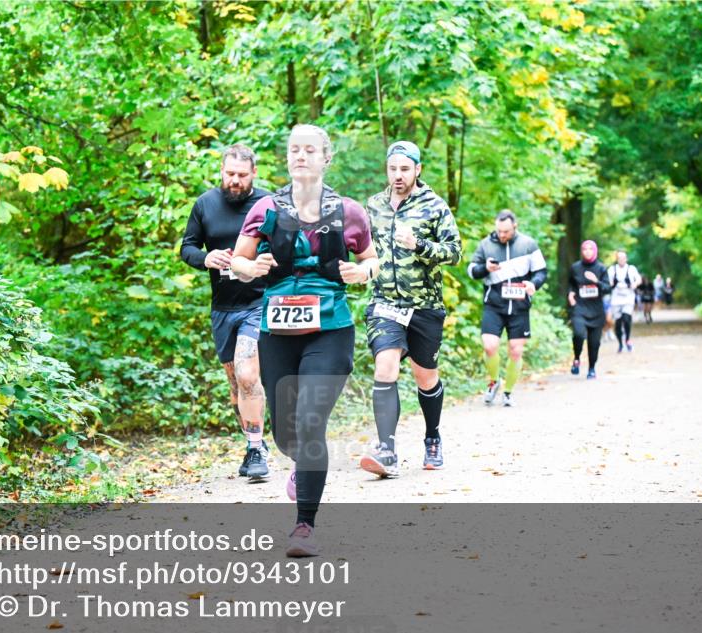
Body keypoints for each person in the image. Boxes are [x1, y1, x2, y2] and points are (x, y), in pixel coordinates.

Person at [230, 124, 378, 557]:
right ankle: (301, 464)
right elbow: (239, 260)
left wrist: (362, 272)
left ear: (325, 157)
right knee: (286, 434)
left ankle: (304, 527)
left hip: (330, 327)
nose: (300, 156)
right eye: (294, 149)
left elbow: (371, 261)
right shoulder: (266, 207)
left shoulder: (348, 211)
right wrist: (248, 267)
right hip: (278, 330)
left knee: (312, 421)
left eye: (310, 150)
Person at [359, 141, 462, 479]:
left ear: (417, 169)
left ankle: (432, 437)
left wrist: (419, 245)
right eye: (393, 169)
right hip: (385, 303)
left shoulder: (434, 206)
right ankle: (386, 449)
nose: (398, 175)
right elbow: (359, 248)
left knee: (425, 376)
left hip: (425, 307)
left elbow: (454, 252)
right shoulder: (373, 206)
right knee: (385, 366)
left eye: (405, 169)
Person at [180, 144, 271, 481]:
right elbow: (187, 247)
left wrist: (266, 263)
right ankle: (255, 441)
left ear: (254, 174)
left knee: (248, 375)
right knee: (236, 386)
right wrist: (205, 258)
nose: (234, 181)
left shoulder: (267, 204)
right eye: (229, 174)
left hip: (258, 303)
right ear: (222, 171)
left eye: (241, 175)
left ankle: (255, 450)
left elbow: (289, 246)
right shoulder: (205, 204)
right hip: (223, 308)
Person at [468, 209, 548, 407]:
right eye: (499, 231)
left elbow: (541, 272)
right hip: (494, 304)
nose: (502, 235)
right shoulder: (486, 245)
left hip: (520, 306)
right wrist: (485, 268)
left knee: (515, 351)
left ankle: (508, 391)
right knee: (489, 345)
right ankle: (494, 381)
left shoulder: (528, 244)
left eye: (506, 231)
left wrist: (533, 284)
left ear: (515, 227)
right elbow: (472, 271)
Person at [567, 240, 611, 379]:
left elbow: (607, 288)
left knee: (594, 343)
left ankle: (592, 368)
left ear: (595, 251)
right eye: (584, 249)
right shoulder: (575, 267)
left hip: (596, 310)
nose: (587, 251)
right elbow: (571, 284)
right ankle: (576, 358)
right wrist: (570, 294)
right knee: (579, 334)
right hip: (579, 308)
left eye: (590, 249)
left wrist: (596, 281)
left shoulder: (601, 268)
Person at [608, 250, 641, 352]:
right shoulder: (612, 269)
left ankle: (627, 339)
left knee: (626, 318)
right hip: (616, 299)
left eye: (623, 258)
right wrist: (611, 284)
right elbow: (607, 282)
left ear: (626, 259)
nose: (621, 260)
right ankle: (620, 344)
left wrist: (634, 284)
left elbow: (638, 279)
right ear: (617, 259)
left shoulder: (631, 269)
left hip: (628, 297)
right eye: (619, 258)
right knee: (618, 323)